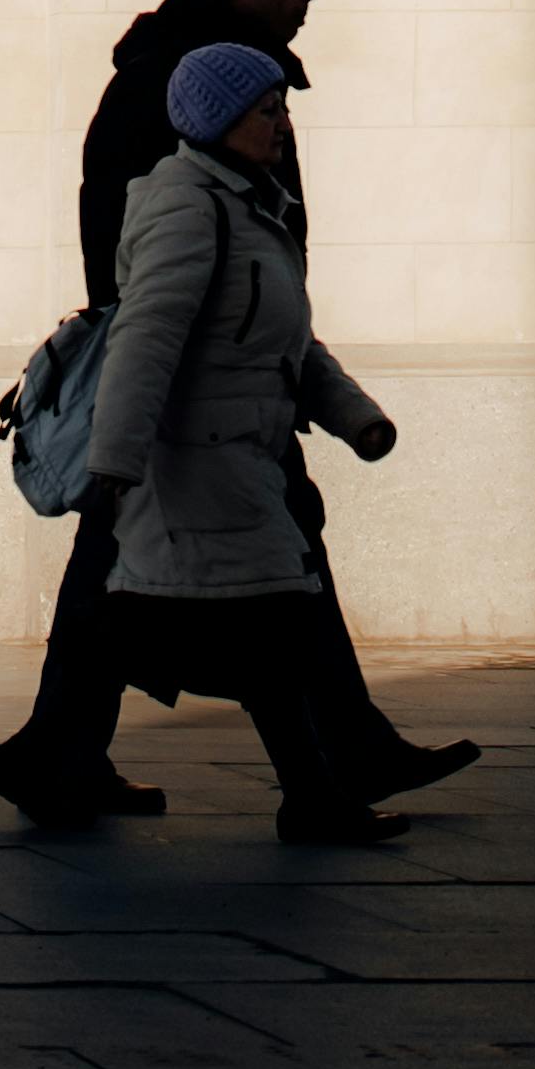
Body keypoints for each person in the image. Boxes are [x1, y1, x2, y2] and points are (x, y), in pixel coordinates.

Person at [0, 0, 477, 828]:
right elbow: (152, 295)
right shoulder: (191, 94)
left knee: (239, 574)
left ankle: (67, 754)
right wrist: (128, 443)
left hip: (228, 387)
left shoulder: (205, 76)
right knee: (250, 585)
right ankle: (325, 765)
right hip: (198, 399)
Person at [77, 45, 415, 845]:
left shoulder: (251, 207)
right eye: (269, 112)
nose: (284, 126)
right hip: (194, 465)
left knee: (257, 634)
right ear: (223, 120)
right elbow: (145, 338)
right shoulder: (185, 206)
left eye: (281, 110)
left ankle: (308, 798)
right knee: (267, 631)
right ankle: (310, 798)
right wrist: (114, 463)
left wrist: (356, 417)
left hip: (240, 461)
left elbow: (288, 343)